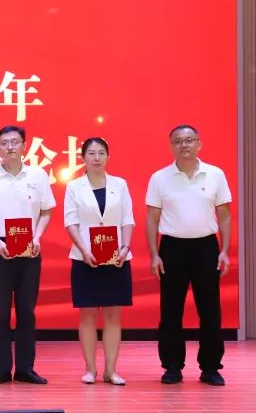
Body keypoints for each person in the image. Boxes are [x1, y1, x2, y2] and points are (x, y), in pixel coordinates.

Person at [146, 124, 232, 386]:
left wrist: (224, 250)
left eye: (189, 140)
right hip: (172, 248)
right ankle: (172, 366)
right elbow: (152, 219)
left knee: (210, 310)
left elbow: (224, 215)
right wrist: (154, 255)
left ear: (198, 144)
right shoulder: (159, 178)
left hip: (206, 248)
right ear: (171, 146)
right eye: (177, 141)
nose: (183, 145)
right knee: (171, 310)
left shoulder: (215, 174)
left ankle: (210, 367)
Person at [0, 125, 54, 385]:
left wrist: (37, 237)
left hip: (30, 247)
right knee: (0, 311)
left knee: (27, 311)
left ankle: (26, 368)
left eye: (15, 142)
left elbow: (46, 211)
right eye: (4, 143)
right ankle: (2, 369)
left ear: (24, 146)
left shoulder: (38, 175)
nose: (10, 147)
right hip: (0, 247)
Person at [63, 137, 135, 385]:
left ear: (108, 157)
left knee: (114, 316)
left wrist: (125, 247)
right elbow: (71, 222)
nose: (96, 158)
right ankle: (90, 370)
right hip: (85, 259)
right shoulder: (74, 187)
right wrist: (84, 250)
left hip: (117, 259)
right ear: (83, 157)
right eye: (91, 153)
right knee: (88, 315)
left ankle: (111, 370)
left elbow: (127, 219)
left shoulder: (120, 184)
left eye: (101, 153)